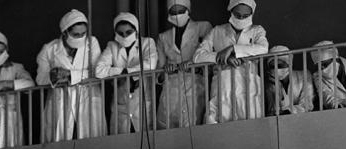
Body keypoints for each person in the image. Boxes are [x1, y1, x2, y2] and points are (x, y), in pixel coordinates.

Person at [36, 9, 106, 143]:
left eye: (83, 33)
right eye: (76, 34)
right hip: (61, 102)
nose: (80, 37)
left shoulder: (92, 42)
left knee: (92, 146)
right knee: (59, 147)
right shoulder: (49, 49)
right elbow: (40, 79)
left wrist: (69, 75)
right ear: (64, 32)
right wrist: (53, 75)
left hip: (88, 98)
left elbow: (97, 71)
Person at [193, 0, 268, 124]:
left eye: (246, 16)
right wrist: (221, 57)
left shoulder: (257, 30)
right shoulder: (217, 31)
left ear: (252, 14)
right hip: (223, 83)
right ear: (231, 11)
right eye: (238, 15)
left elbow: (263, 49)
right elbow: (197, 56)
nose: (241, 19)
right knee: (217, 125)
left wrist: (233, 49)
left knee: (252, 127)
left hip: (249, 84)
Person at [95, 12, 157, 135]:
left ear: (136, 30)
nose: (124, 36)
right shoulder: (112, 46)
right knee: (120, 146)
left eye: (128, 32)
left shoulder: (147, 43)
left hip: (142, 103)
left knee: (146, 142)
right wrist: (123, 72)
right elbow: (99, 70)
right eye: (120, 33)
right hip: (120, 105)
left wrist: (126, 74)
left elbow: (150, 64)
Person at [155, 0, 212, 129]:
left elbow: (208, 53)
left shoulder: (202, 28)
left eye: (181, 11)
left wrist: (193, 64)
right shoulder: (163, 37)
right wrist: (165, 71)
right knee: (166, 128)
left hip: (195, 83)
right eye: (173, 12)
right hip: (171, 86)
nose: (177, 15)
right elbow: (159, 70)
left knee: (192, 127)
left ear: (188, 11)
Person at [265, 45, 315, 116]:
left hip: (304, 119)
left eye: (280, 65)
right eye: (272, 66)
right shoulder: (270, 83)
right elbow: (273, 111)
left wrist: (289, 111)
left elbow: (307, 104)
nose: (276, 69)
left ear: (289, 63)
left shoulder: (304, 75)